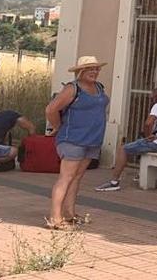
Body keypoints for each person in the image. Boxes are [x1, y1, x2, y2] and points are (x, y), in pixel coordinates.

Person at [44, 56, 110, 230]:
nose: (94, 72)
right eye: (90, 69)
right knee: (66, 177)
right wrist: (57, 126)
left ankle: (70, 214)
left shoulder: (99, 87)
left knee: (77, 177)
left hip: (92, 140)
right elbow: (51, 109)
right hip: (72, 140)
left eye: (96, 69)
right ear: (80, 72)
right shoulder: (72, 89)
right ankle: (55, 218)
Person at [95, 87, 157, 191]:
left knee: (123, 149)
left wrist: (148, 136)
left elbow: (148, 123)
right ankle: (140, 173)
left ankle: (114, 182)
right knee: (140, 143)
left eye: (152, 99)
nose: (151, 101)